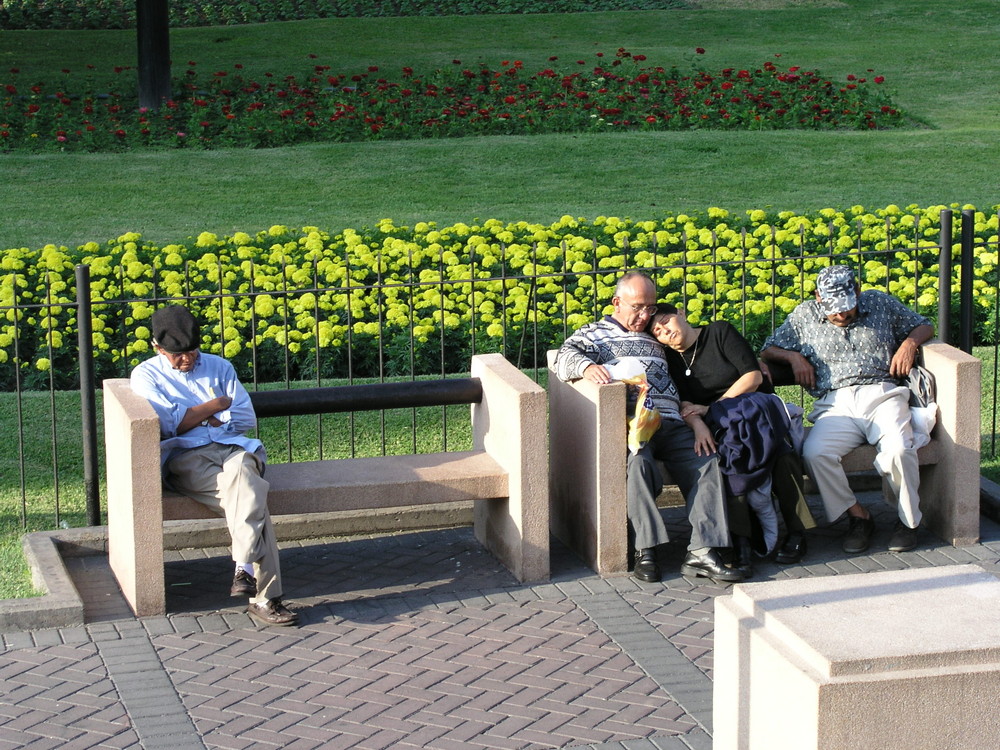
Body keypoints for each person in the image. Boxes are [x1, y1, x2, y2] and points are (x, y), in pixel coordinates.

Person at [554, 271, 741, 584]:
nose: (644, 316)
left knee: (707, 461)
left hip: (673, 420)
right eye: (637, 307)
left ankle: (702, 551)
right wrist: (587, 367)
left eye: (650, 308)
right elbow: (564, 356)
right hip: (636, 426)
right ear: (617, 302)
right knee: (639, 465)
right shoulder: (596, 334)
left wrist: (695, 419)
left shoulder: (655, 336)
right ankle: (647, 549)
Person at [130, 305, 298, 626]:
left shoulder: (220, 367)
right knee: (252, 504)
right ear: (157, 348)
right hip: (187, 459)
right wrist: (218, 405)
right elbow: (170, 426)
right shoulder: (146, 375)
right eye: (178, 355)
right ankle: (263, 595)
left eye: (193, 351)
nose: (188, 360)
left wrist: (195, 414)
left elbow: (245, 417)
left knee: (245, 483)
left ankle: (245, 571)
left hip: (235, 449)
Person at [760, 265, 934, 554]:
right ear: (818, 296)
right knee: (816, 454)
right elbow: (767, 349)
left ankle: (908, 522)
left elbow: (924, 324)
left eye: (846, 307)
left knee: (899, 450)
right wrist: (793, 357)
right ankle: (859, 517)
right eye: (833, 309)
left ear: (856, 291)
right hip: (835, 401)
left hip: (882, 394)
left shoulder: (878, 302)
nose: (840, 315)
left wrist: (909, 344)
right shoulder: (804, 316)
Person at [648, 305, 816, 572]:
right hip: (718, 426)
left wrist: (716, 405)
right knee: (725, 460)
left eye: (666, 321)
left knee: (782, 456)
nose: (665, 331)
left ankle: (797, 531)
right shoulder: (669, 360)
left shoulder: (719, 332)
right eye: (657, 332)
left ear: (682, 313)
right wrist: (698, 423)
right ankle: (742, 539)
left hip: (756, 411)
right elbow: (684, 403)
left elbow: (752, 376)